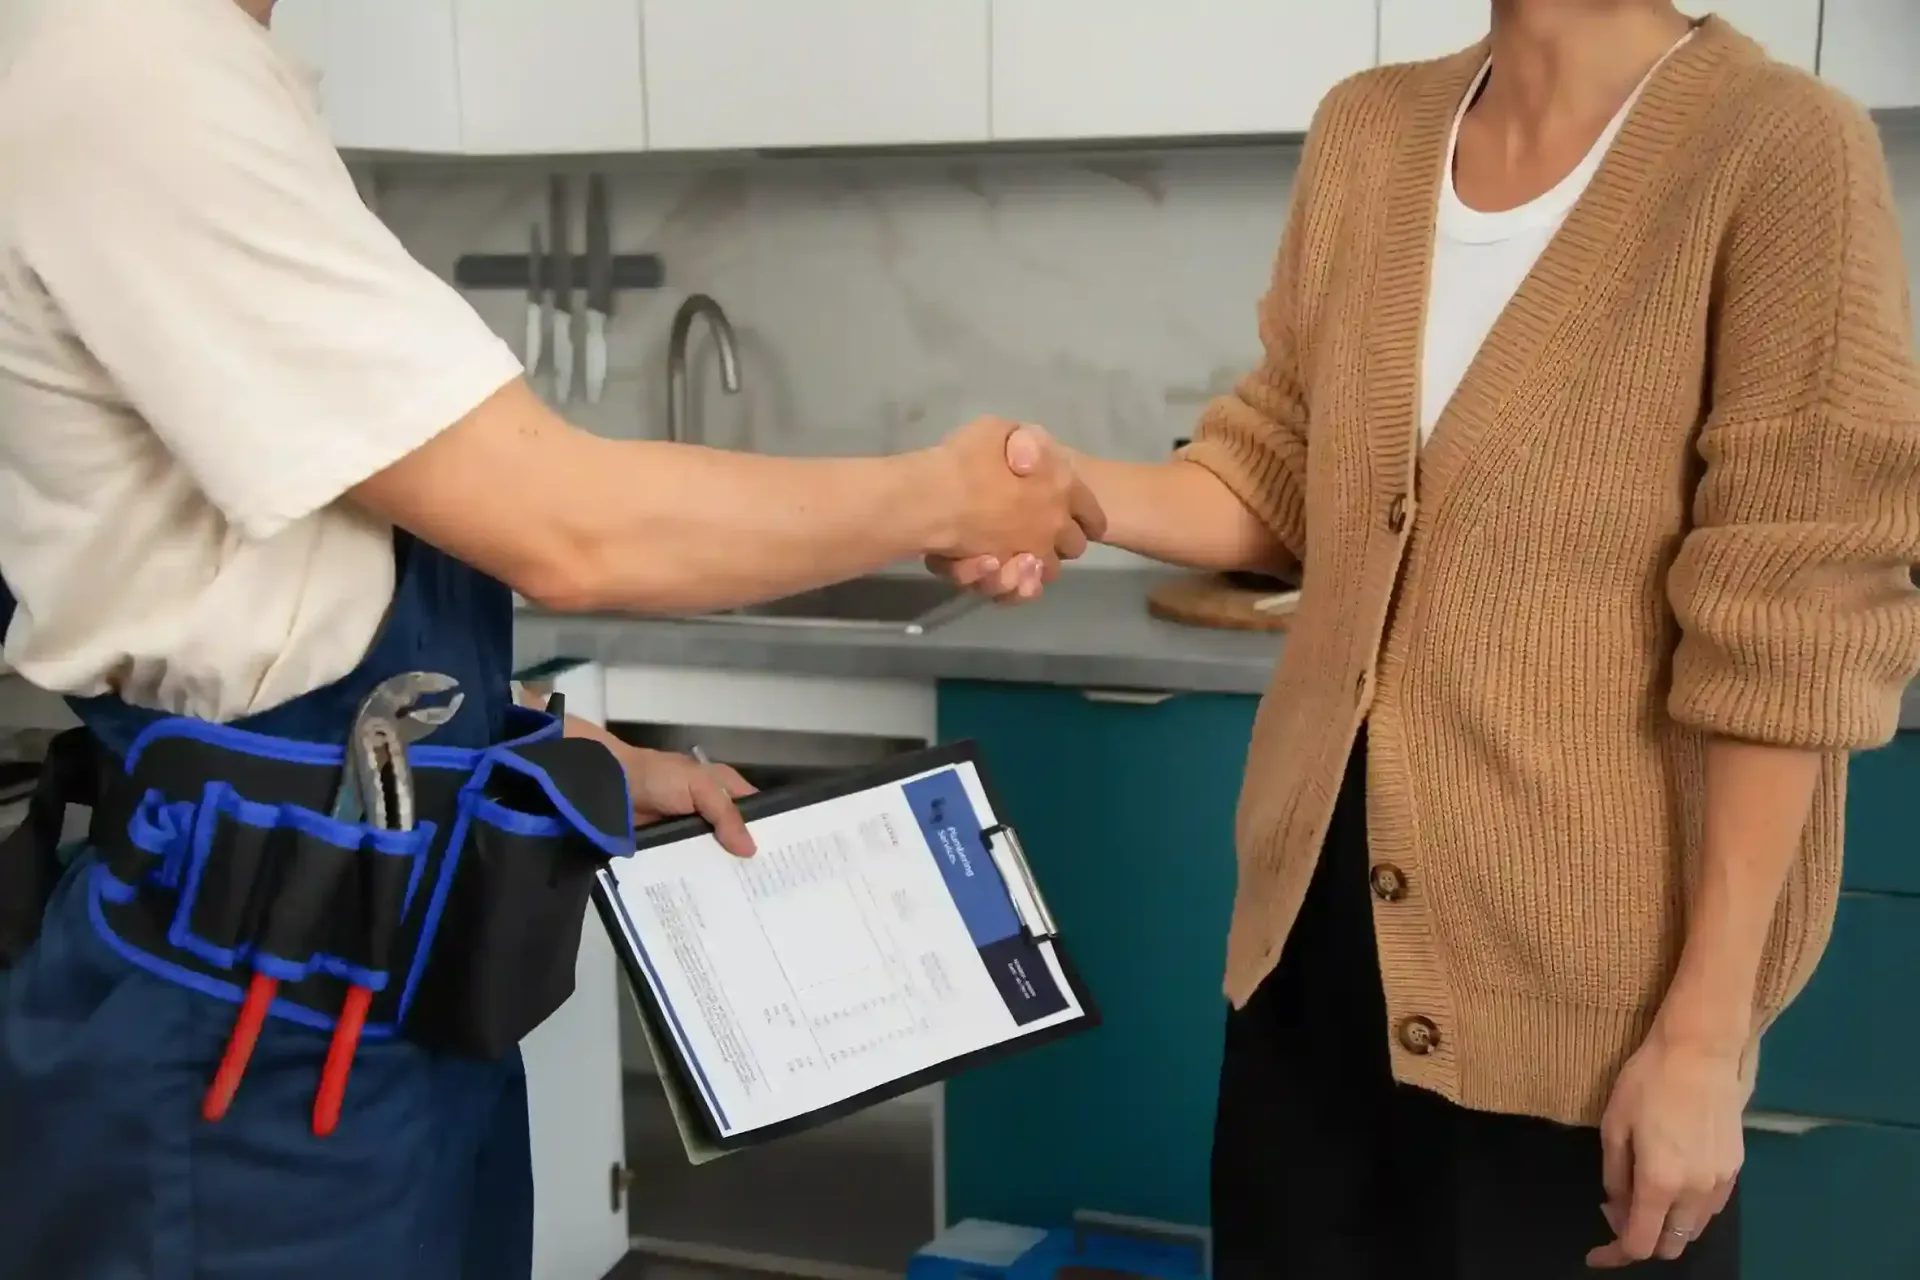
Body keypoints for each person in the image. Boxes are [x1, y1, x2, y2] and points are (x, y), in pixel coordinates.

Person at [0, 0, 1101, 1277]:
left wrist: (549, 741)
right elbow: (570, 528)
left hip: (383, 1011)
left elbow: (278, 602)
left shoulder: (207, 73)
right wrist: (947, 494)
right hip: (251, 1047)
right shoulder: (133, 63)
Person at [937, 4, 1920, 1275]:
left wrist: (1703, 1036)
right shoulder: (1369, 130)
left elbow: (1795, 615)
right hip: (1309, 971)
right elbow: (1286, 461)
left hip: (1586, 1018)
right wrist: (1080, 492)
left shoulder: (1782, 150)